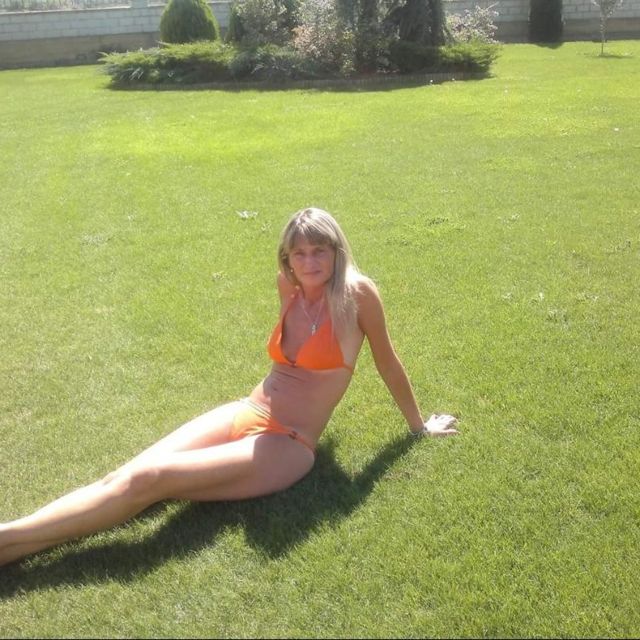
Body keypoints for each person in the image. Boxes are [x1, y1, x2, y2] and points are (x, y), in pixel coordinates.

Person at [0, 207, 458, 567]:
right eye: (299, 253)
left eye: (320, 251)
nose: (309, 262)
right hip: (246, 410)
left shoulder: (358, 296)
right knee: (124, 476)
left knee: (149, 480)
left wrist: (418, 426)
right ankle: (12, 543)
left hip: (287, 443)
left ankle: (8, 538)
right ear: (286, 259)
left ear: (338, 251)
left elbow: (387, 362)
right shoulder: (289, 286)